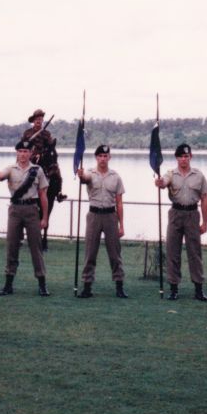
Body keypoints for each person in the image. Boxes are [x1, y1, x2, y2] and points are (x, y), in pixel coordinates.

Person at [0, 139, 50, 296]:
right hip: (15, 210)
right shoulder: (11, 169)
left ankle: (42, 284)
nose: (23, 154)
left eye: (26, 151)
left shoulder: (37, 170)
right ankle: (8, 284)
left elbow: (43, 195)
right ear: (16, 152)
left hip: (32, 210)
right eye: (20, 151)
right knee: (12, 246)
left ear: (31, 153)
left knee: (36, 248)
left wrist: (44, 218)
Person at [154, 143, 207, 301]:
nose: (183, 159)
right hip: (176, 214)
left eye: (186, 156)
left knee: (195, 252)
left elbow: (205, 199)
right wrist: (160, 183)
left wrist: (205, 222)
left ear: (191, 157)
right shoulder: (170, 174)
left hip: (192, 214)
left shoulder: (199, 175)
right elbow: (163, 182)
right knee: (173, 251)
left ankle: (198, 289)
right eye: (180, 156)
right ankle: (173, 288)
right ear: (176, 158)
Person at [76, 145, 128, 299]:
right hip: (94, 215)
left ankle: (119, 286)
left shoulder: (116, 177)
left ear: (109, 157)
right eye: (100, 156)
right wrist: (80, 175)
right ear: (96, 158)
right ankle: (87, 286)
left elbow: (119, 203)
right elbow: (85, 179)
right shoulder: (90, 173)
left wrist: (121, 225)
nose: (103, 159)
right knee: (90, 252)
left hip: (110, 216)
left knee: (115, 253)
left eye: (105, 156)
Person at [21, 109, 65, 251]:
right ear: (33, 120)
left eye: (41, 119)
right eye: (37, 119)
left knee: (57, 173)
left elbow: (50, 146)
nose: (39, 121)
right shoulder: (27, 134)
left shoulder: (46, 134)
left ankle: (58, 192)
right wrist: (32, 153)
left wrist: (45, 151)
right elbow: (23, 148)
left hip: (44, 159)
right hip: (30, 159)